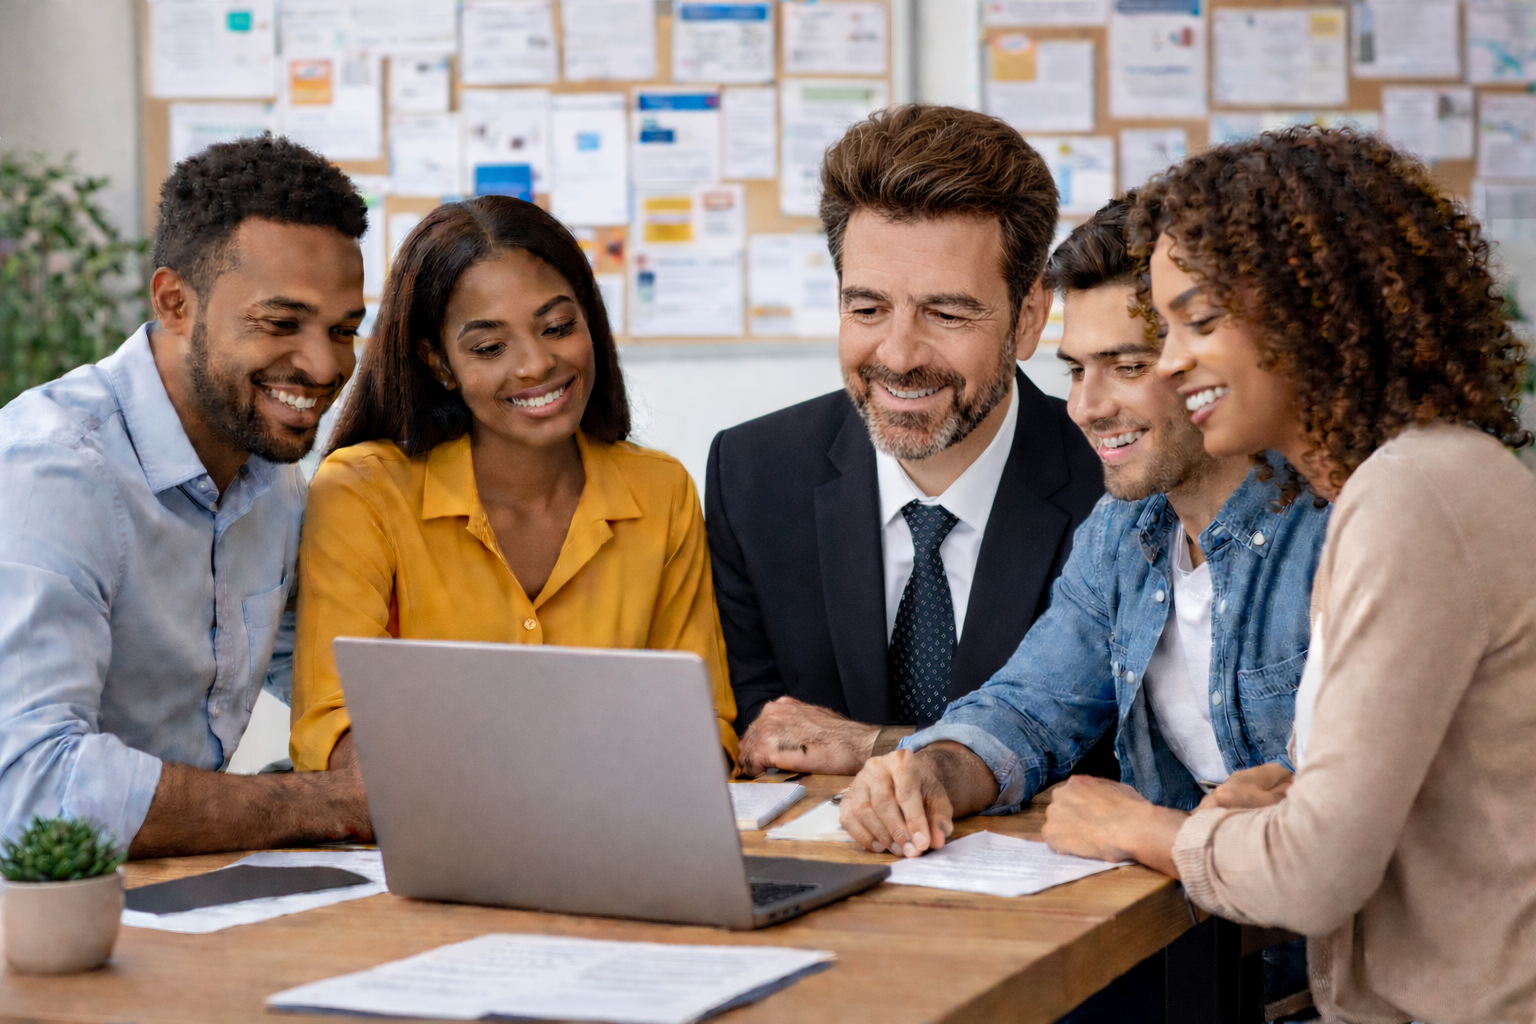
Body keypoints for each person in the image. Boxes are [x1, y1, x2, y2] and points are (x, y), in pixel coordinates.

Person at [1039, 129, 1536, 1023]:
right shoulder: (1410, 479)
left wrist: (1139, 828)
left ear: (1309, 309)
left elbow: (1311, 879)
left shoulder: (1411, 492)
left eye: (1198, 320)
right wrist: (1266, 810)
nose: (1175, 357)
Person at [837, 194, 1328, 857]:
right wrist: (927, 774)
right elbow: (1030, 709)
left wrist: (1152, 831)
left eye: (1127, 366)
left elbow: (1349, 819)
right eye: (1074, 370)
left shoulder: (1337, 528)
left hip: (1331, 951)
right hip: (1204, 942)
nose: (1085, 407)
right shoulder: (1124, 529)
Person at [0, 137, 373, 856]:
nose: (325, 367)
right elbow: (29, 789)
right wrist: (319, 803)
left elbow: (319, 672)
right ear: (175, 302)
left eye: (343, 329)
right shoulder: (48, 470)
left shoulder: (271, 476)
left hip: (169, 896)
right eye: (280, 323)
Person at [707, 105, 1105, 778]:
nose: (897, 355)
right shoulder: (753, 475)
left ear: (1030, 317)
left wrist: (876, 745)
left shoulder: (1116, 484)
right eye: (866, 309)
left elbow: (1119, 755)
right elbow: (760, 731)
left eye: (946, 313)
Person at [289, 196, 738, 773]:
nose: (534, 365)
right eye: (489, 347)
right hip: (429, 846)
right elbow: (332, 730)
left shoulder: (660, 490)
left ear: (589, 322)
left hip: (619, 841)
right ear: (439, 363)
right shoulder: (363, 491)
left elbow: (702, 726)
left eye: (557, 327)